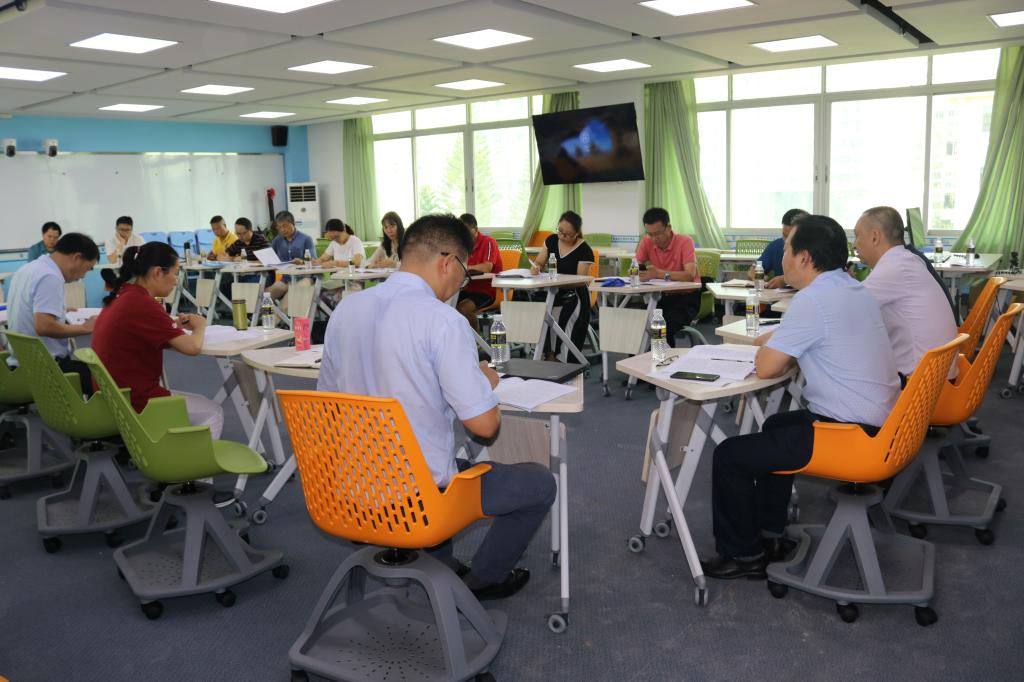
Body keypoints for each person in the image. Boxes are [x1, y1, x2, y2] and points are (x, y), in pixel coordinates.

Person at [318, 213, 556, 601]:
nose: (459, 286)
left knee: (438, 460)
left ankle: (440, 564)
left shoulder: (347, 309)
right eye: (462, 276)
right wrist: (483, 381)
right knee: (538, 482)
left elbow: (327, 403)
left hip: (350, 488)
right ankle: (485, 580)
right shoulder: (442, 321)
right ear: (448, 262)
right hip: (416, 499)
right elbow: (484, 426)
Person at [700, 215, 900, 580]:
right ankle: (770, 533)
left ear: (804, 257)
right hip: (884, 426)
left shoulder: (813, 300)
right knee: (777, 425)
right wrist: (782, 339)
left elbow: (766, 368)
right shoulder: (853, 288)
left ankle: (743, 554)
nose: (783, 257)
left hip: (853, 438)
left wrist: (774, 345)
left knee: (729, 456)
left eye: (787, 249)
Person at [91, 243, 224, 439]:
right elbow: (192, 347)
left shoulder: (124, 296)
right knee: (212, 412)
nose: (176, 280)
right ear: (157, 272)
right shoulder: (143, 304)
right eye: (175, 273)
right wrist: (200, 325)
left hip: (113, 395)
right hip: (135, 399)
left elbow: (143, 330)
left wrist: (170, 326)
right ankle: (194, 459)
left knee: (201, 402)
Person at [853, 206, 958, 379]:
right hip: (939, 377)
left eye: (857, 235)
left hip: (921, 385)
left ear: (874, 237)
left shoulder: (894, 267)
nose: (854, 244)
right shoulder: (908, 259)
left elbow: (847, 307)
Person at [6, 232, 99, 394]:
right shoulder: (50, 276)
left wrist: (59, 310)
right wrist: (85, 327)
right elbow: (44, 326)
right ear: (77, 257)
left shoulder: (29, 268)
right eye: (87, 269)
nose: (83, 276)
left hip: (21, 364)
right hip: (46, 370)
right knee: (102, 378)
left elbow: (29, 306)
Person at [528, 211, 594, 359]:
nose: (562, 236)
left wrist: (559, 283)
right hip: (553, 290)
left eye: (568, 234)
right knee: (537, 307)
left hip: (576, 293)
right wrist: (536, 267)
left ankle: (563, 358)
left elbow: (580, 280)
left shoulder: (584, 249)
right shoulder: (551, 240)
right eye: (560, 231)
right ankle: (546, 353)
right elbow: (539, 262)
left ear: (576, 234)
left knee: (565, 314)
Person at [635, 207, 700, 347]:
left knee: (661, 325)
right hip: (661, 297)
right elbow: (635, 265)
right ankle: (638, 359)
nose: (654, 238)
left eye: (658, 233)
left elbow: (690, 275)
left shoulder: (685, 241)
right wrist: (638, 272)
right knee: (638, 324)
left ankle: (663, 359)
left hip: (686, 298)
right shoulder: (647, 241)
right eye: (650, 234)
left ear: (668, 228)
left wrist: (658, 273)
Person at [455, 213, 503, 332]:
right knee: (445, 305)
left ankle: (475, 340)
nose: (463, 235)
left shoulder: (489, 242)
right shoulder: (463, 245)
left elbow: (487, 267)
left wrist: (465, 267)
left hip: (487, 289)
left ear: (475, 229)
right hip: (468, 287)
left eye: (466, 231)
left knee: (462, 308)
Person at [219, 217, 271, 310]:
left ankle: (250, 311)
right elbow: (221, 256)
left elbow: (269, 260)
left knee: (246, 286)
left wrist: (247, 261)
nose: (240, 236)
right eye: (237, 233)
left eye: (242, 233)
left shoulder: (260, 240)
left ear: (250, 230)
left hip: (264, 274)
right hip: (246, 274)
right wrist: (233, 258)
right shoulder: (239, 242)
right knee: (225, 286)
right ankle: (240, 310)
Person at [747, 208, 808, 288]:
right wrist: (756, 275)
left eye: (791, 237)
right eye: (784, 236)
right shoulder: (776, 246)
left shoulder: (815, 249)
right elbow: (755, 269)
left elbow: (816, 277)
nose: (786, 241)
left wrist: (785, 280)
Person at [266, 211, 316, 301]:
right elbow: (270, 257)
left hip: (305, 278)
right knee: (265, 296)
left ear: (293, 223)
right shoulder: (277, 240)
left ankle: (281, 311)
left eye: (285, 226)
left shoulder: (306, 239)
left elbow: (314, 261)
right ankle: (266, 311)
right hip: (286, 279)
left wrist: (302, 262)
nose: (282, 230)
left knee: (289, 299)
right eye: (279, 227)